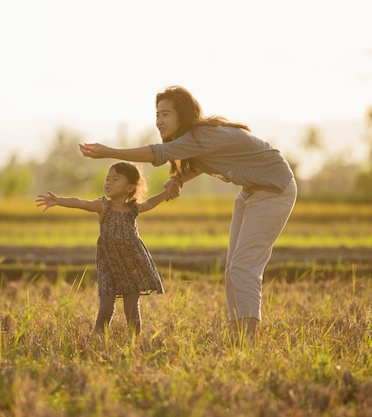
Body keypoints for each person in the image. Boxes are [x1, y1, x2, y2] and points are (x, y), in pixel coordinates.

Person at [79, 85, 297, 343]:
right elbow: (202, 163)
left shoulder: (203, 134)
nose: (159, 121)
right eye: (157, 114)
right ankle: (237, 335)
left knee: (243, 266)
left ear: (183, 115)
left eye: (166, 114)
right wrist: (179, 180)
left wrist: (109, 152)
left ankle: (247, 341)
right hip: (251, 190)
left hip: (275, 189)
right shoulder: (198, 139)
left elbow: (156, 154)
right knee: (232, 269)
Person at [36, 161, 166, 336]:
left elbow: (150, 203)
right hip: (109, 263)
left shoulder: (133, 208)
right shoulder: (103, 206)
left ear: (129, 188)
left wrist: (167, 193)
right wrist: (59, 200)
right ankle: (97, 338)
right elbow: (81, 202)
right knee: (105, 307)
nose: (108, 183)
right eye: (107, 178)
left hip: (133, 262)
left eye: (115, 179)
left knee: (131, 307)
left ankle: (134, 342)